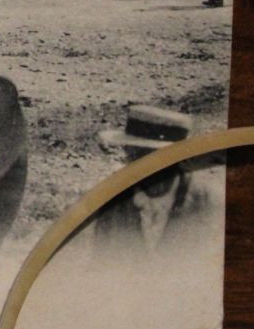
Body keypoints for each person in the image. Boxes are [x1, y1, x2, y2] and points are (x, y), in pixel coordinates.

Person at [93, 105, 221, 261]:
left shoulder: (206, 202)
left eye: (149, 156)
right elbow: (100, 266)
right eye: (132, 153)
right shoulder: (113, 202)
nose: (137, 164)